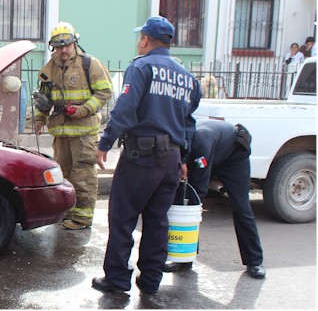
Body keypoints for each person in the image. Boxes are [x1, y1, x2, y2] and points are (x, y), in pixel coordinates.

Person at [92, 16, 202, 294]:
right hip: (171, 160)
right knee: (157, 220)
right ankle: (151, 280)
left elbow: (125, 110)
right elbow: (189, 120)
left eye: (139, 37)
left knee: (122, 218)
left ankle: (117, 279)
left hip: (141, 157)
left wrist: (104, 143)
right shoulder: (187, 77)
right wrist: (184, 157)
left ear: (145, 40)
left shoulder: (141, 67)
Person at [32, 22, 113, 230]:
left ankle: (83, 218)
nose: (64, 50)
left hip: (84, 133)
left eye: (67, 45)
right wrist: (39, 118)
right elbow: (44, 98)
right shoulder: (49, 69)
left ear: (75, 43)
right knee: (64, 175)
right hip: (61, 132)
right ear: (53, 48)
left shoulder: (89, 64)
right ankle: (68, 213)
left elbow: (105, 92)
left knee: (83, 174)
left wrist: (83, 110)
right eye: (59, 47)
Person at [163, 119, 266, 279]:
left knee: (240, 206)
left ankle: (254, 261)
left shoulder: (199, 143)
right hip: (212, 152)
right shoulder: (176, 141)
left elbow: (199, 189)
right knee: (186, 200)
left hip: (233, 158)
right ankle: (185, 258)